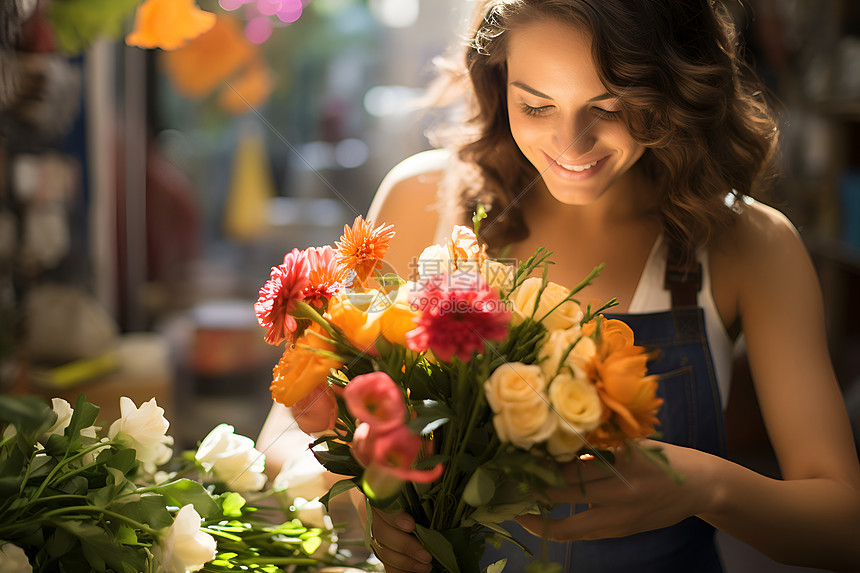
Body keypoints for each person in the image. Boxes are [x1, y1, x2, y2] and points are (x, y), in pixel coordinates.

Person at [355, 0, 860, 572]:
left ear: (677, 84)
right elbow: (308, 434)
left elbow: (845, 529)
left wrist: (708, 489)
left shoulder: (750, 244)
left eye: (611, 107)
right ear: (498, 81)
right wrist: (368, 505)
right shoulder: (422, 202)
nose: (571, 145)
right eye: (537, 105)